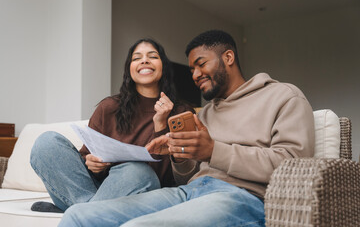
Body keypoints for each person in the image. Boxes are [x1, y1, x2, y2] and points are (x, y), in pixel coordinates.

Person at [58, 30, 315, 227]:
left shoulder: (283, 96)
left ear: (228, 57)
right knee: (78, 216)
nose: (195, 74)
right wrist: (179, 155)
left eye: (201, 64)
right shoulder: (208, 111)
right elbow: (185, 177)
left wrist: (214, 150)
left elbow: (294, 167)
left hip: (242, 198)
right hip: (188, 192)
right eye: (192, 68)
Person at [30, 38, 194, 213]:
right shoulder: (108, 107)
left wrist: (160, 124)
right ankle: (86, 211)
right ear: (129, 69)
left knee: (137, 172)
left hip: (145, 193)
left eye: (152, 56)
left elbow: (174, 178)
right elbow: (85, 161)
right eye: (137, 58)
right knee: (46, 142)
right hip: (105, 190)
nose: (144, 60)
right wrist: (92, 164)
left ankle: (75, 211)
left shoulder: (182, 113)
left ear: (164, 66)